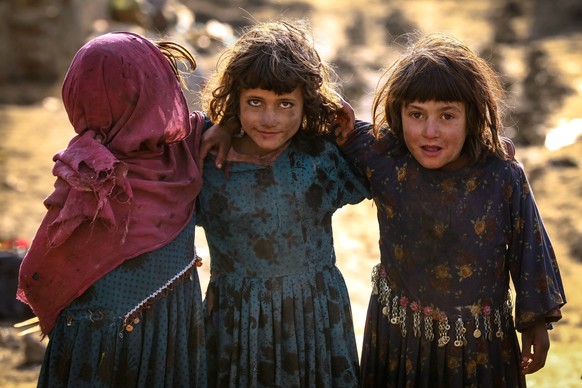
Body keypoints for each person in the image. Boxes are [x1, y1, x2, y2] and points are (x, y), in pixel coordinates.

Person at [338, 33, 566, 387]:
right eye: (416, 114)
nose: (430, 132)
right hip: (398, 339)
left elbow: (529, 246)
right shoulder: (383, 156)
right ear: (399, 114)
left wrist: (535, 322)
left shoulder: (501, 175)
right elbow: (311, 113)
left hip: (479, 348)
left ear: (471, 117)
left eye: (447, 116)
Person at [17, 32, 218, 387]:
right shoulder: (90, 173)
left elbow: (45, 264)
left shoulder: (186, 148)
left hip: (141, 336)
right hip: (107, 345)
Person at [197, 20, 370, 387]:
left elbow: (388, 154)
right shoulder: (211, 164)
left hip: (315, 322)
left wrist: (335, 111)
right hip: (235, 324)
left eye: (286, 103)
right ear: (236, 102)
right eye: (254, 103)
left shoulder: (320, 159)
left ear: (306, 103)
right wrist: (223, 124)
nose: (269, 119)